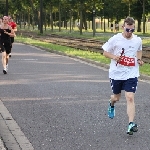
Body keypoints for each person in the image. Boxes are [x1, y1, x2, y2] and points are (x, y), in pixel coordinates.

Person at [102, 17, 144, 135]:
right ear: (123, 27)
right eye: (127, 30)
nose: (129, 32)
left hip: (131, 73)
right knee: (117, 97)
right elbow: (105, 52)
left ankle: (131, 124)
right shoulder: (115, 39)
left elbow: (139, 50)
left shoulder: (137, 40)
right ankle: (111, 103)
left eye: (131, 30)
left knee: (130, 97)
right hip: (116, 74)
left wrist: (139, 59)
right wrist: (114, 57)